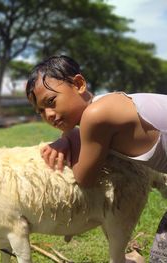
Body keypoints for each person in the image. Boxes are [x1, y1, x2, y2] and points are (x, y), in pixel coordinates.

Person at [25, 55, 167, 262]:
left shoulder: (97, 115)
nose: (49, 114)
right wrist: (70, 136)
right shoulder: (104, 104)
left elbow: (85, 178)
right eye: (40, 111)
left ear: (79, 84)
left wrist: (70, 140)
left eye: (51, 101)